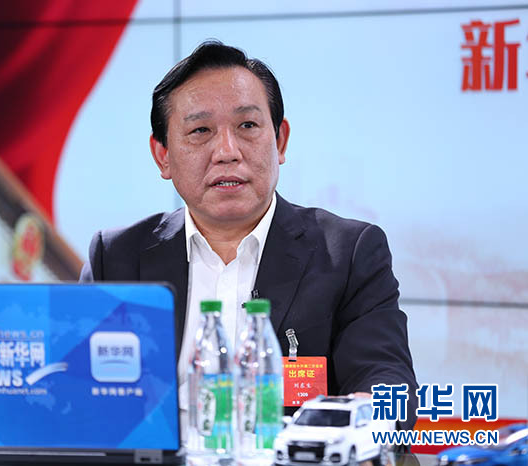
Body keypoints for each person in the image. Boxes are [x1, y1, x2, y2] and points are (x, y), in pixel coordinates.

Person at [79, 40, 418, 431]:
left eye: (247, 126)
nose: (227, 151)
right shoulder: (116, 257)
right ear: (163, 156)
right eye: (200, 130)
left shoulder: (348, 254)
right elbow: (73, 391)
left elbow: (387, 383)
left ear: (280, 141)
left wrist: (357, 420)